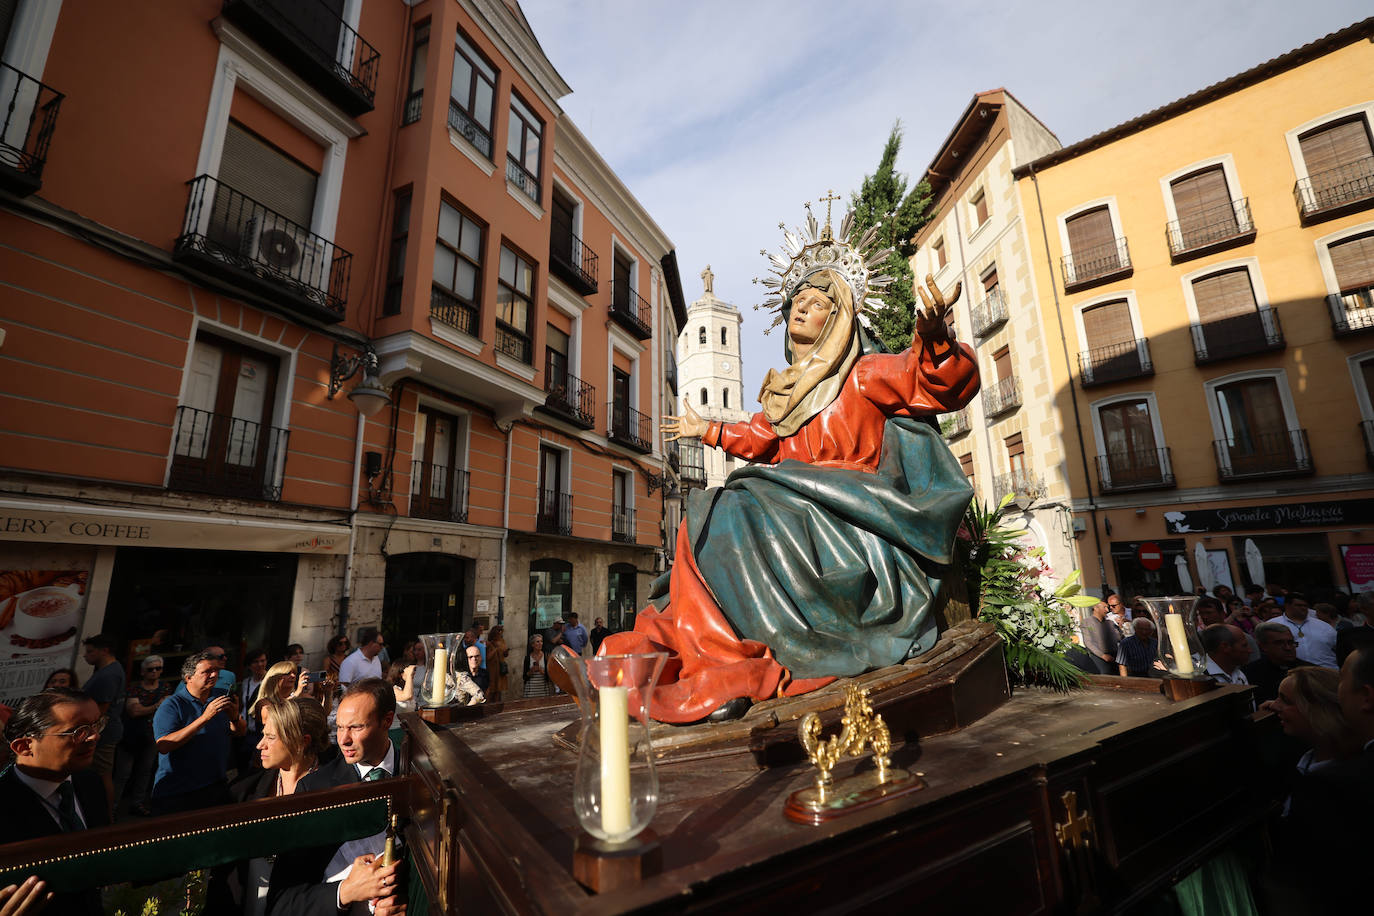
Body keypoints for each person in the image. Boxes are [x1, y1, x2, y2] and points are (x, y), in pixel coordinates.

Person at [602, 232, 979, 722]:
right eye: (796, 301)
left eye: (817, 302)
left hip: (853, 514)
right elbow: (760, 437)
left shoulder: (863, 373)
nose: (800, 308)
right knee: (710, 511)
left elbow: (935, 382)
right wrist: (707, 428)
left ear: (839, 318)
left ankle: (731, 668)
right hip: (793, 506)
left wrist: (934, 338)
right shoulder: (784, 394)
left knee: (735, 505)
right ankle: (669, 653)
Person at [266, 679, 405, 916]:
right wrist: (345, 892)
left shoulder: (417, 773)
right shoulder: (314, 790)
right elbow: (282, 902)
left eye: (356, 727)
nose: (343, 740)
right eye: (339, 727)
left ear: (387, 721)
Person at [1, 688, 110, 916]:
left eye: (95, 725)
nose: (94, 737)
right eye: (78, 731)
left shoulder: (90, 783)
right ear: (24, 747)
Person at [1264, 666, 1362, 912]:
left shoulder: (1351, 781)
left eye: (1285, 701)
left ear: (1318, 710)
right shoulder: (1295, 759)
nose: (1273, 706)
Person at [234, 697, 331, 916]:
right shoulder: (246, 790)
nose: (260, 745)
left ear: (302, 741)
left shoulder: (332, 795)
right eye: (262, 735)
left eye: (270, 737)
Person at [151, 651, 246, 814]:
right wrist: (205, 717)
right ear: (189, 678)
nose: (214, 674)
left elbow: (240, 732)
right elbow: (164, 745)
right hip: (179, 792)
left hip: (216, 786)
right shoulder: (172, 705)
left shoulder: (220, 696)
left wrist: (235, 718)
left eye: (216, 670)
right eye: (207, 671)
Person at [117, 655, 171, 816]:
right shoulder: (134, 688)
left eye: (158, 668)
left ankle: (137, 803)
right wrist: (156, 705)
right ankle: (112, 805)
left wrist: (145, 708)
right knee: (123, 773)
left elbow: (165, 707)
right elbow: (134, 711)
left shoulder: (165, 687)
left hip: (152, 736)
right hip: (130, 736)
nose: (154, 672)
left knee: (145, 771)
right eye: (150, 669)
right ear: (142, 672)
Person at [80, 633, 124, 817]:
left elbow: (100, 709)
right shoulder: (110, 671)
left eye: (90, 651)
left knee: (102, 774)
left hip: (102, 734)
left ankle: (107, 816)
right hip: (103, 732)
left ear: (104, 651)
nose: (86, 656)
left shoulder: (108, 675)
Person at [1243, 622, 1312, 705]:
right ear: (1263, 647)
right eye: (1279, 643)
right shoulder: (1249, 674)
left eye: (1290, 642)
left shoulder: (1309, 671)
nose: (1288, 648)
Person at [1274, 593, 1337, 669]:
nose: (1303, 608)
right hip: (1293, 673)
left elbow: (1337, 648)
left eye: (1305, 606)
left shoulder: (1324, 626)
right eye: (1299, 605)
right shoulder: (1274, 625)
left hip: (1327, 671)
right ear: (1287, 606)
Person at [1080, 602, 1122, 676]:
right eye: (1104, 607)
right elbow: (1088, 642)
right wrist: (1103, 655)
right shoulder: (1087, 622)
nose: (1107, 610)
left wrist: (1120, 627)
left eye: (1107, 608)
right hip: (1099, 658)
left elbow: (1118, 638)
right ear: (1096, 608)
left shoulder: (1110, 623)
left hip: (1114, 657)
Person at [523, 634, 552, 698]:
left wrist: (541, 671)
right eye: (537, 642)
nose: (540, 643)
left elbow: (550, 676)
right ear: (532, 644)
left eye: (541, 641)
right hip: (530, 691)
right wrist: (531, 671)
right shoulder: (528, 658)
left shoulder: (546, 657)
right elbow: (524, 677)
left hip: (543, 691)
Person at [486, 626, 509, 703]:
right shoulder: (489, 643)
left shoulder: (502, 641)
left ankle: (496, 705)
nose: (500, 633)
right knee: (492, 689)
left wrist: (506, 652)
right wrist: (495, 649)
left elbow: (505, 654)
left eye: (501, 631)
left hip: (500, 667)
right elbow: (488, 657)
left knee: (499, 689)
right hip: (492, 668)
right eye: (498, 631)